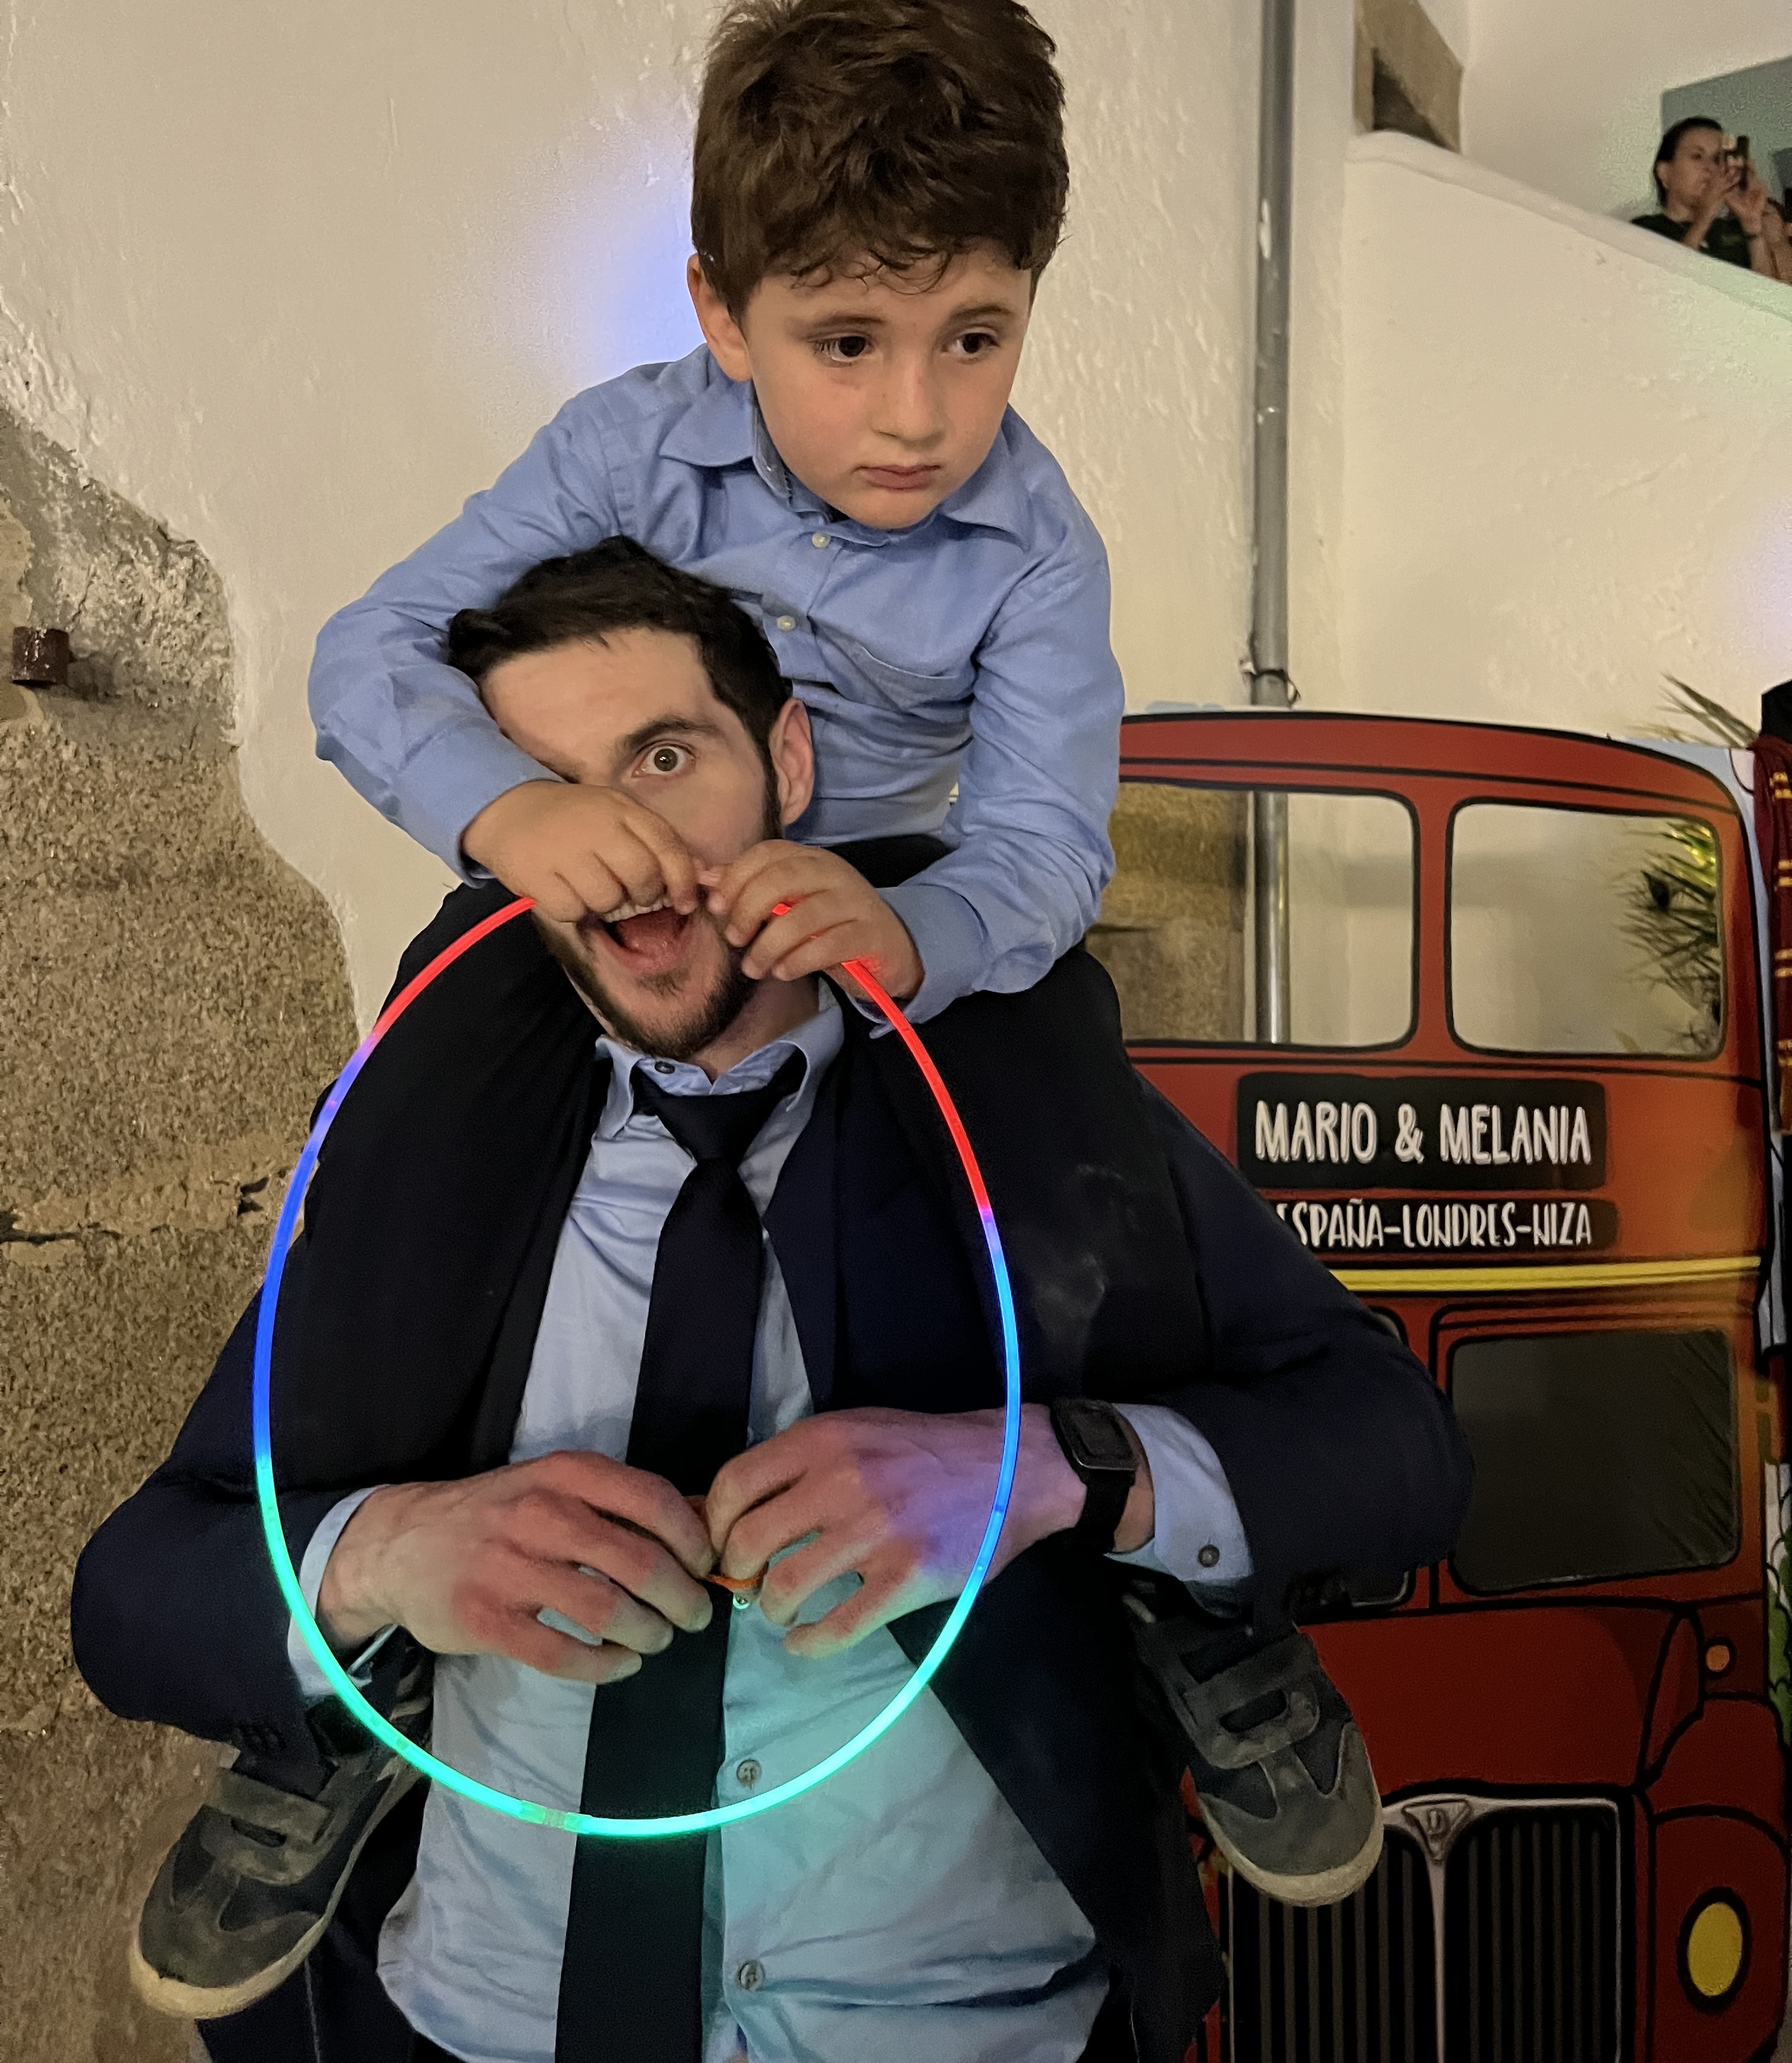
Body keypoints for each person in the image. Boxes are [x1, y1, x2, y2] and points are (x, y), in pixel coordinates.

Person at [74, 546, 1473, 2063]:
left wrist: (1048, 1471)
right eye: (548, 789)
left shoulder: (1033, 1122)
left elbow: (1398, 1454)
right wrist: (389, 1558)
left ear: (787, 763)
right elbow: (135, 1596)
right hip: (483, 2021)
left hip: (964, 2027)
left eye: (664, 760)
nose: (621, 849)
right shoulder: (431, 1170)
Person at [309, 0, 1121, 1029]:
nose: (916, 415)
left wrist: (913, 933)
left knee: (1063, 1051)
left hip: (874, 895)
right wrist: (511, 810)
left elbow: (1043, 843)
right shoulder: (622, 454)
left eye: (974, 339)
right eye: (846, 344)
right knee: (426, 1045)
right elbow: (371, 647)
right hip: (624, 881)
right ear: (724, 316)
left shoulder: (1038, 556)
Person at [1633, 116, 1780, 277]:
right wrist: (1705, 217)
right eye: (1697, 157)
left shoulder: (1733, 230)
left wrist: (1752, 225)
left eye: (1717, 159)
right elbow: (1667, 284)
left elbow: (1765, 289)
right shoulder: (1644, 229)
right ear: (1664, 172)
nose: (1711, 168)